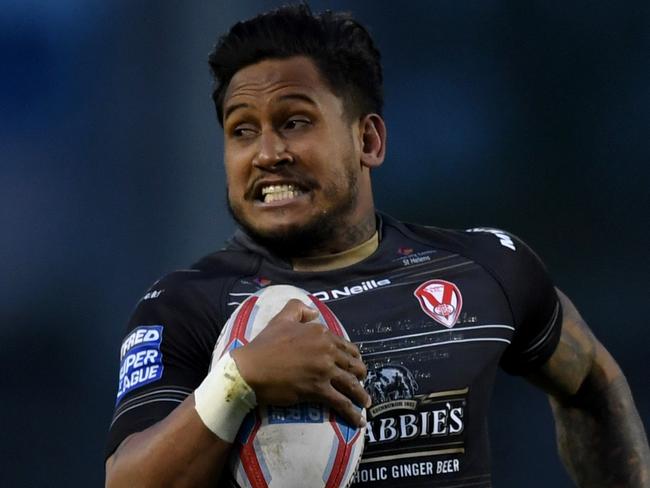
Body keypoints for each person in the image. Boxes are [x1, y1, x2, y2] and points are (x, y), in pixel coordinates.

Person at [104, 5, 649, 487]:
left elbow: (595, 385)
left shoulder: (484, 268)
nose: (267, 153)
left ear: (368, 140)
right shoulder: (186, 306)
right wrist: (237, 381)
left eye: (294, 122)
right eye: (242, 130)